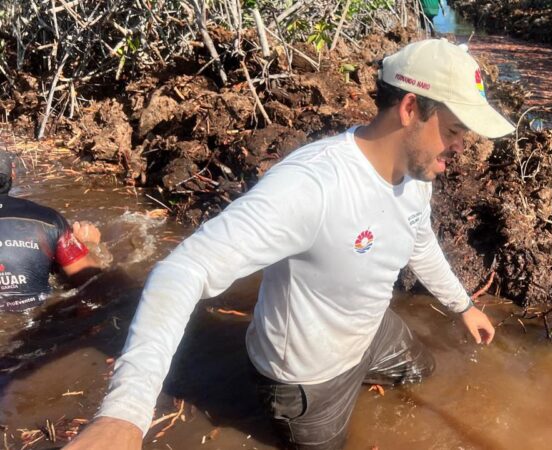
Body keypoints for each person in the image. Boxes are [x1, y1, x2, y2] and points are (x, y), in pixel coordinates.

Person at [64, 39, 515, 450]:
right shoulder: (312, 186)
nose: (460, 147)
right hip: (305, 382)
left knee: (423, 371)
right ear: (411, 108)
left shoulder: (418, 174)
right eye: (455, 130)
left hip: (369, 330)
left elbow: (419, 240)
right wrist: (125, 413)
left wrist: (462, 306)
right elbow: (184, 270)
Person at [0, 151, 102, 312]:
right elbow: (91, 279)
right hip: (36, 322)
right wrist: (88, 244)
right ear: (12, 173)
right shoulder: (49, 219)